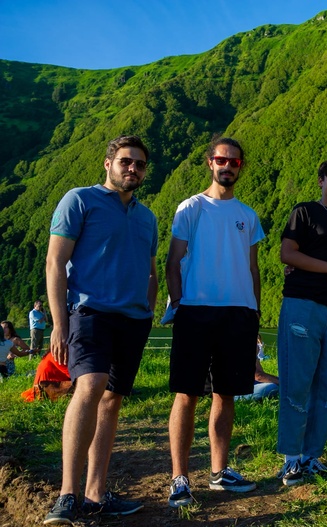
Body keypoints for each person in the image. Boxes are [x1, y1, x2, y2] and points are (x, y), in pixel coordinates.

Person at [44, 135, 158, 524]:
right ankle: (67, 495)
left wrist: (150, 305)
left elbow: (151, 268)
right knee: (90, 386)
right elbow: (55, 263)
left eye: (140, 165)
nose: (133, 169)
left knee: (112, 400)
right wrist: (59, 324)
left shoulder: (147, 217)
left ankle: (95, 495)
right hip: (88, 311)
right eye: (126, 161)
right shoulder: (79, 200)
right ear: (108, 163)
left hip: (133, 319)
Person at [166, 136, 263, 507]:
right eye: (222, 160)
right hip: (196, 311)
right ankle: (179, 478)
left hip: (239, 313)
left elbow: (253, 268)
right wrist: (179, 304)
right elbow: (173, 261)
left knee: (226, 392)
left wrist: (254, 310)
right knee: (187, 394)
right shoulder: (190, 207)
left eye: (235, 162)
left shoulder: (248, 215)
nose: (227, 166)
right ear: (210, 163)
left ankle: (220, 471)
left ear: (240, 167)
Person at [276, 159, 327, 486]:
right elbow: (287, 254)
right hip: (303, 305)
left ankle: (312, 456)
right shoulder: (304, 212)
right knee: (297, 383)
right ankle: (291, 459)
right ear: (320, 181)